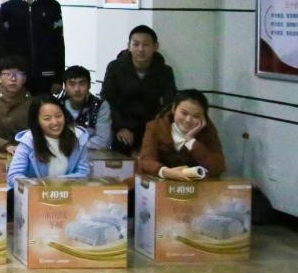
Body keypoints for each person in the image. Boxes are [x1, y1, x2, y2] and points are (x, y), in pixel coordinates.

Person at [100, 25, 177, 154]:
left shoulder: (164, 71)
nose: (140, 49)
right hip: (122, 123)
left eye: (146, 44)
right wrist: (120, 127)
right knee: (121, 149)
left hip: (152, 125)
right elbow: (107, 100)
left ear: (155, 46)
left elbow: (170, 103)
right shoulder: (115, 68)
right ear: (129, 46)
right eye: (136, 44)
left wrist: (156, 128)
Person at [0, 0, 64, 95]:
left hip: (46, 74)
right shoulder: (7, 8)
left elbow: (58, 42)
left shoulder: (52, 6)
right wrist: (2, 75)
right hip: (17, 75)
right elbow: (3, 44)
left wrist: (59, 78)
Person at [5, 97, 92, 188]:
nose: (55, 122)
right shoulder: (28, 140)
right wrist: (38, 185)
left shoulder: (78, 137)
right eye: (47, 118)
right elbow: (14, 176)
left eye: (58, 116)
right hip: (34, 193)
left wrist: (55, 182)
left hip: (68, 193)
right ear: (37, 121)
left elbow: (83, 173)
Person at [138, 90, 225, 179]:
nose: (188, 120)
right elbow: (146, 160)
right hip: (160, 183)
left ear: (204, 117)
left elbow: (218, 168)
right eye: (184, 113)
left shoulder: (207, 131)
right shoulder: (156, 127)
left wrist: (191, 141)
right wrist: (166, 172)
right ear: (173, 109)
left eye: (196, 116)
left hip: (194, 185)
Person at [58, 65, 112, 150]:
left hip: (92, 155)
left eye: (82, 84)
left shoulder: (100, 106)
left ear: (89, 85)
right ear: (65, 87)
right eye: (72, 84)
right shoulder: (57, 105)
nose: (77, 89)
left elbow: (103, 140)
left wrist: (73, 146)